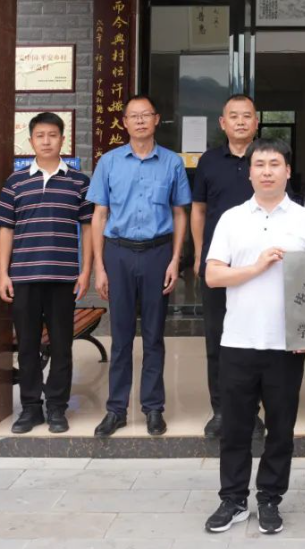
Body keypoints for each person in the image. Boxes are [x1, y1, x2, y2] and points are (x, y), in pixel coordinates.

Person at [204, 138, 305, 536]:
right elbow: (213, 275)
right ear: (250, 172)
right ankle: (233, 499)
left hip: (286, 344)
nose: (267, 171)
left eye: (275, 164)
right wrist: (256, 267)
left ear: (288, 171)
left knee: (281, 427)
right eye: (260, 164)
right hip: (238, 340)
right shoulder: (232, 218)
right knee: (235, 428)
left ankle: (270, 498)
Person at [87, 95, 191, 438]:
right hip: (118, 253)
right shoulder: (109, 162)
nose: (141, 121)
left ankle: (153, 408)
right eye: (134, 116)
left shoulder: (172, 162)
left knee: (154, 336)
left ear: (157, 119)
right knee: (120, 336)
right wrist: (100, 267)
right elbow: (99, 215)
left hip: (158, 253)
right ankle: (116, 409)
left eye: (146, 114)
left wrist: (175, 259)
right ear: (125, 122)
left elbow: (180, 213)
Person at [0, 112, 93, 434]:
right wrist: (3, 274)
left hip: (63, 278)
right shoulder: (15, 182)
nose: (46, 141)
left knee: (62, 345)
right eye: (40, 135)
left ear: (63, 139)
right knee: (27, 345)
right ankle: (31, 408)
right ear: (31, 141)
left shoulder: (79, 182)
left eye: (52, 135)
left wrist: (86, 271)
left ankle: (57, 408)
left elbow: (88, 229)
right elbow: (6, 229)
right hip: (23, 277)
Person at [191, 94, 261, 439]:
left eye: (247, 116)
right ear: (223, 123)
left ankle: (253, 412)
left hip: (260, 267)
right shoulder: (208, 161)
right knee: (217, 340)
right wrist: (199, 254)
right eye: (234, 116)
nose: (240, 122)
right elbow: (199, 210)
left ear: (256, 122)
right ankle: (221, 410)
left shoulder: (266, 158)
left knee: (257, 340)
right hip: (218, 265)